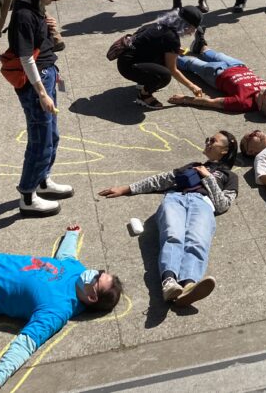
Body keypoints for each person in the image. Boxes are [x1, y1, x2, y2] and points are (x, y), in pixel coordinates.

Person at [0, 220, 123, 393]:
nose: (94, 273)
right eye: (100, 272)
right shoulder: (76, 269)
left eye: (97, 279)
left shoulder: (57, 310)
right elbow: (66, 255)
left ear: (91, 297)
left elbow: (25, 345)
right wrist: (72, 234)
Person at [99, 130, 238, 307]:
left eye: (213, 141)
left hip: (204, 204)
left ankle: (189, 285)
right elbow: (162, 179)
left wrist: (208, 177)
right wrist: (127, 188)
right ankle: (169, 283)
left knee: (198, 241)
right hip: (176, 198)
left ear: (224, 151)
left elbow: (223, 204)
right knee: (173, 235)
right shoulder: (193, 165)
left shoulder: (230, 177)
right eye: (208, 139)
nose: (208, 142)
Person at [7, 0, 74, 216]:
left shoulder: (36, 1)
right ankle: (27, 194)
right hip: (35, 83)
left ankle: (43, 180)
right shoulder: (24, 14)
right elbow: (26, 59)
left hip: (46, 73)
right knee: (40, 141)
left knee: (52, 136)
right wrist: (42, 93)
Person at [116, 6, 205, 109]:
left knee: (164, 57)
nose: (193, 32)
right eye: (193, 28)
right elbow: (173, 70)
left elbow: (143, 38)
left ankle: (143, 82)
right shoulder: (172, 39)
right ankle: (144, 96)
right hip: (128, 67)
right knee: (164, 76)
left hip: (126, 59)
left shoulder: (159, 25)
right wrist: (192, 86)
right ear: (186, 25)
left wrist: (174, 50)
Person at [169, 44, 266, 119]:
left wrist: (184, 100)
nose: (265, 90)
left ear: (259, 106)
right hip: (238, 65)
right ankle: (200, 45)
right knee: (215, 54)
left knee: (191, 63)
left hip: (217, 74)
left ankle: (164, 54)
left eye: (264, 94)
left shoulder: (243, 103)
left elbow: (211, 102)